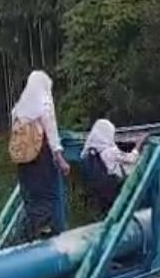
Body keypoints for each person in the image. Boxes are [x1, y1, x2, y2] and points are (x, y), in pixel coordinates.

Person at [9, 70, 70, 239]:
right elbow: (51, 131)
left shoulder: (18, 108)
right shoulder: (43, 103)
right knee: (48, 191)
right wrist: (59, 157)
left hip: (23, 158)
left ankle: (31, 230)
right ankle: (50, 231)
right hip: (40, 154)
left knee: (30, 191)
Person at [80, 119, 147, 214]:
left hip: (100, 188)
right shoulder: (111, 151)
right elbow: (132, 158)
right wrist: (138, 144)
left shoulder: (89, 152)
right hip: (116, 186)